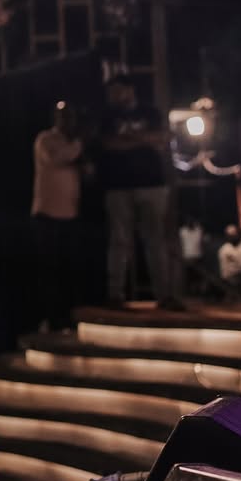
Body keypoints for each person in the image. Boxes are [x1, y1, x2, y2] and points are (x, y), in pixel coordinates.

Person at [97, 75, 182, 310]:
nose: (114, 95)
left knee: (155, 240)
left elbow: (163, 139)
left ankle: (164, 295)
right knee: (119, 241)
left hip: (152, 184)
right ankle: (115, 294)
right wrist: (144, 140)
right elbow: (109, 144)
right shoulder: (108, 116)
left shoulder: (150, 112)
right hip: (118, 186)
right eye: (111, 91)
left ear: (130, 89)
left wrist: (130, 138)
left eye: (117, 90)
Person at [31, 100, 84, 331]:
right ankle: (49, 317)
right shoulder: (46, 139)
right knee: (49, 270)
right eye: (62, 116)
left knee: (68, 269)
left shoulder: (74, 145)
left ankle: (66, 316)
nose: (66, 121)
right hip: (47, 214)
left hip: (70, 215)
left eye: (70, 116)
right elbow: (55, 159)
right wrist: (80, 145)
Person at [217, 223, 241, 299]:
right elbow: (225, 271)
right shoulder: (224, 250)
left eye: (234, 234)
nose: (233, 237)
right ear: (227, 236)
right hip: (231, 278)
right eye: (230, 235)